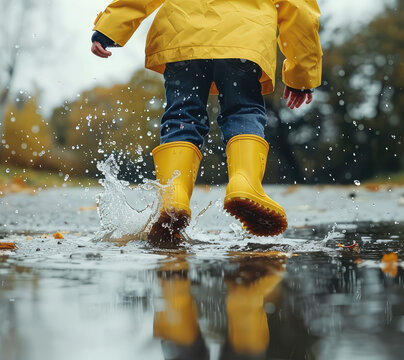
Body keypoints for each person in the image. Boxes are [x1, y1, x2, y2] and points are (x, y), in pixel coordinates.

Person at [90, 0, 322, 243]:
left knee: (182, 115)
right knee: (243, 110)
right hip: (244, 37)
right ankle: (244, 183)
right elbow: (299, 9)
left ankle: (174, 197)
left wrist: (110, 28)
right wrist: (301, 73)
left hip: (182, 34)